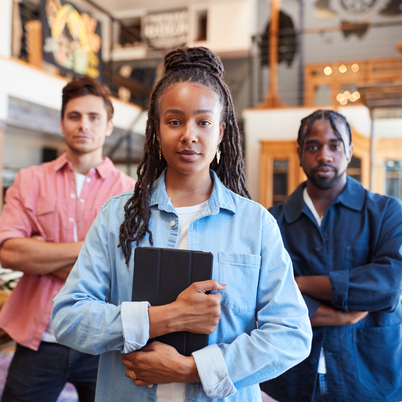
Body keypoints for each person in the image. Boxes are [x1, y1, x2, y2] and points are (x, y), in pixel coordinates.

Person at [52, 46, 312, 402]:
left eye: (203, 122)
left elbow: (292, 334)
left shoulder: (256, 224)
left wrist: (192, 369)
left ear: (221, 132)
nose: (189, 134)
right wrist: (167, 317)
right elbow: (69, 318)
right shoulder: (117, 217)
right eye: (174, 121)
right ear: (157, 130)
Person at [0, 76, 135, 402]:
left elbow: (128, 267)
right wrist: (94, 252)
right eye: (74, 116)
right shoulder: (30, 180)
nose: (83, 125)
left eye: (93, 117)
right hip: (39, 340)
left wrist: (42, 251)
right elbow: (10, 253)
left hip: (103, 340)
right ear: (62, 122)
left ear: (108, 126)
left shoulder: (130, 192)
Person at [261, 109, 402, 402]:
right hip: (291, 376)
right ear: (299, 153)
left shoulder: (387, 211)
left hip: (369, 376)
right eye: (313, 146)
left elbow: (388, 287)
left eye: (334, 145)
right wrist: (341, 315)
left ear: (349, 151)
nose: (324, 155)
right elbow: (264, 298)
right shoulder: (270, 222)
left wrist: (299, 284)